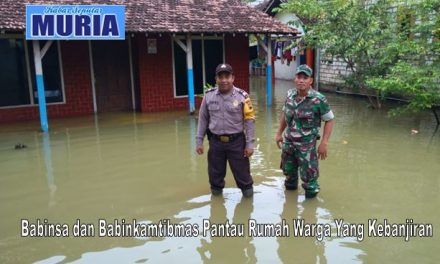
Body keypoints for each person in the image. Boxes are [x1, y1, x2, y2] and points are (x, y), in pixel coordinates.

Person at [196, 63, 256, 197]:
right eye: (220, 77)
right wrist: (199, 141)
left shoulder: (242, 96)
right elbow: (203, 119)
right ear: (216, 79)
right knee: (215, 177)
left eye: (227, 76)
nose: (224, 80)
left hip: (237, 143)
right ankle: (217, 208)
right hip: (216, 143)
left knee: (244, 178)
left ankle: (247, 209)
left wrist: (250, 144)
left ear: (233, 78)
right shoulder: (208, 96)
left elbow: (250, 120)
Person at [275, 64, 334, 198]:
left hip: (306, 147)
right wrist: (279, 133)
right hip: (289, 144)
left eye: (305, 78)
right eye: (299, 77)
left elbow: (329, 120)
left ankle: (309, 215)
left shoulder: (319, 99)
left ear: (310, 81)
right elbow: (285, 113)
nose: (301, 80)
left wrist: (324, 143)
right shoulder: (290, 95)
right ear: (295, 79)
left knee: (310, 182)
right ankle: (289, 211)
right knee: (289, 176)